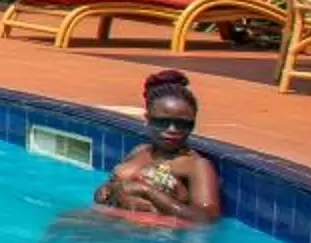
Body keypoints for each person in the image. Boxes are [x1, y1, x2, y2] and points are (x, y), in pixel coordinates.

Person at [92, 69, 223, 225]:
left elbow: (206, 218)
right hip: (106, 224)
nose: (172, 130)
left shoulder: (196, 166)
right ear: (147, 119)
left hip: (145, 239)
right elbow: (111, 188)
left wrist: (147, 191)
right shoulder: (139, 151)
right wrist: (106, 190)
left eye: (184, 124)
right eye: (162, 122)